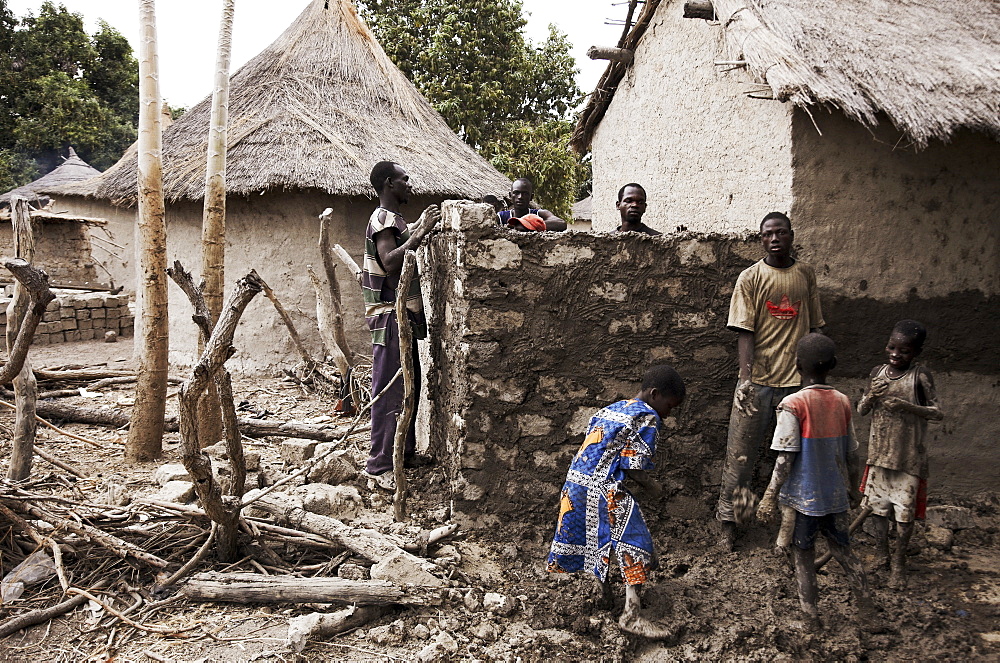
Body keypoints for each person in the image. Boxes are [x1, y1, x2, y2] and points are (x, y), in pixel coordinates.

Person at [546, 365, 685, 639]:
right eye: (669, 406)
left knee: (599, 540)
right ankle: (631, 614)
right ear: (655, 395)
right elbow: (633, 467)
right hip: (604, 490)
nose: (668, 414)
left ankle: (603, 595)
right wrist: (655, 488)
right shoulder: (647, 417)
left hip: (575, 485)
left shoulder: (611, 409)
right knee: (636, 543)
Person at [716, 211, 825, 551]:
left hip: (798, 386)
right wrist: (746, 380)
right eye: (768, 234)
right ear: (760, 239)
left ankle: (795, 528)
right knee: (742, 459)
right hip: (757, 384)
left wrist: (813, 382)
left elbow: (815, 329)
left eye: (781, 232)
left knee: (799, 458)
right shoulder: (750, 278)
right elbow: (744, 333)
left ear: (791, 236)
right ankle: (733, 525)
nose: (775, 238)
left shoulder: (805, 275)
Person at [757, 333, 875, 631]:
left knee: (804, 556)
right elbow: (852, 454)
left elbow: (785, 459)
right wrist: (852, 490)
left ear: (797, 365)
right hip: (834, 496)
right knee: (844, 551)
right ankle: (867, 612)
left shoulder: (792, 404)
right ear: (833, 365)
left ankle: (811, 617)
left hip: (805, 500)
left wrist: (770, 497)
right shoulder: (843, 401)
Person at [361, 161, 440, 490]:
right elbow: (390, 262)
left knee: (409, 386)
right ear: (390, 184)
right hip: (390, 316)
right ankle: (379, 467)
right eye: (404, 179)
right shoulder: (382, 218)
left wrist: (418, 230)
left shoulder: (395, 221)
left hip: (401, 317)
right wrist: (420, 233)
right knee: (389, 391)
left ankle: (403, 454)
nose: (410, 184)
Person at [857, 319, 943, 587]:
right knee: (878, 512)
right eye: (892, 347)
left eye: (904, 350)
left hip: (908, 459)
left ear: (915, 353)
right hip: (880, 456)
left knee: (904, 517)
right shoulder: (877, 373)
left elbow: (937, 412)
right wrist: (871, 395)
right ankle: (881, 553)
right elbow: (862, 410)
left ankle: (899, 563)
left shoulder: (920, 377)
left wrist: (908, 407)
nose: (896, 354)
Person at [497, 177, 567, 231]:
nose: (520, 197)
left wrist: (528, 225)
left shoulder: (539, 214)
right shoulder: (501, 217)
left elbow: (561, 223)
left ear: (531, 197)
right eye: (516, 193)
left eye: (525, 194)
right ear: (510, 195)